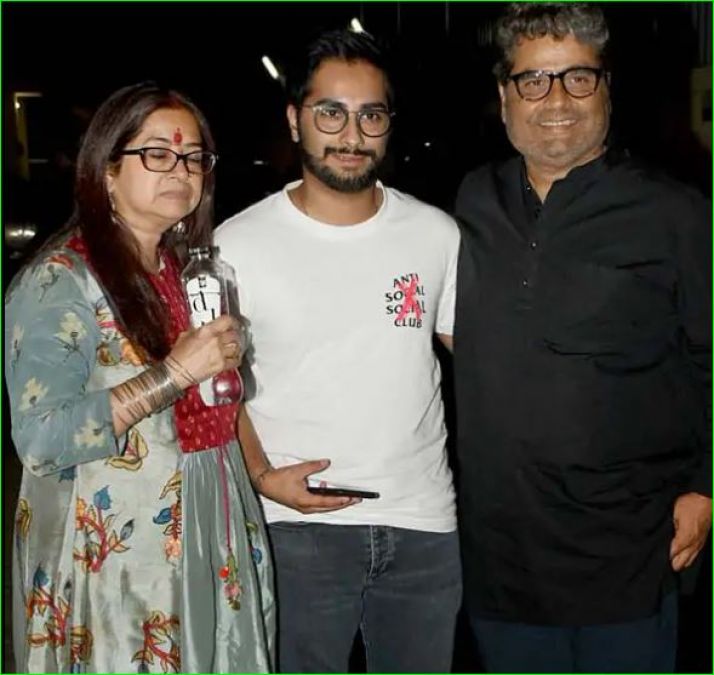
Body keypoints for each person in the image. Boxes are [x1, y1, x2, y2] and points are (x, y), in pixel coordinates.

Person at [453, 4, 711, 672]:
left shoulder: (677, 213)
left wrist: (707, 488)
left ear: (607, 87)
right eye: (533, 81)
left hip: (631, 551)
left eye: (578, 78)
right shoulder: (469, 203)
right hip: (500, 557)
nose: (557, 100)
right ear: (505, 96)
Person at [5, 82, 274, 674]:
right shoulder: (60, 281)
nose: (180, 169)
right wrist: (174, 373)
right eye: (156, 153)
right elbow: (43, 440)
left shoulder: (190, 271)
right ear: (105, 170)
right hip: (119, 555)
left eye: (193, 156)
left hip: (212, 515)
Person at [215, 29, 462, 674]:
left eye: (370, 115)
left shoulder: (436, 234)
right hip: (295, 529)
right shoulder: (237, 246)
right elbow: (217, 382)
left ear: (388, 126)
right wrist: (263, 477)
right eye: (331, 112)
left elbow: (485, 361)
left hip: (424, 527)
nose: (351, 135)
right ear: (295, 119)